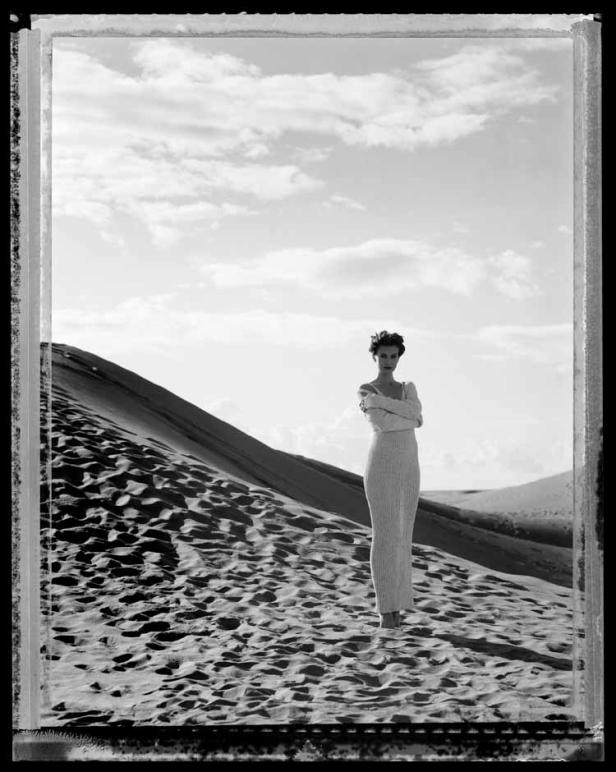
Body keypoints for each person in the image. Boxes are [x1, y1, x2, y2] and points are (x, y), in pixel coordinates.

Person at [357, 330, 423, 629]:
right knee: (384, 537)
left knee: (402, 536)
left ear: (399, 357)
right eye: (383, 355)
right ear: (375, 356)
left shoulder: (408, 387)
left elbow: (416, 417)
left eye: (393, 356)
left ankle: (399, 609)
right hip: (381, 463)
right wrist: (408, 415)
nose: (388, 361)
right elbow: (381, 423)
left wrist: (394, 408)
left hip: (409, 465)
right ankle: (385, 612)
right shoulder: (365, 389)